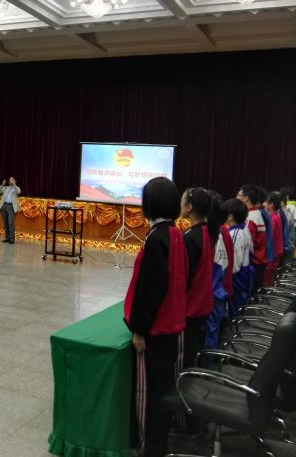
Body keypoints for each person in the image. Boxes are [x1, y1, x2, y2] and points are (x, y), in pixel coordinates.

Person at [124, 177, 187, 457]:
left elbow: (151, 288)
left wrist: (139, 329)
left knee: (149, 394)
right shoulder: (175, 232)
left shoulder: (156, 238)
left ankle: (150, 447)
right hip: (171, 326)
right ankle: (159, 443)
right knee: (162, 389)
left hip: (156, 331)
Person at [180, 187, 218, 369]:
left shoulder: (190, 237)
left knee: (186, 354)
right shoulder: (208, 231)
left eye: (182, 201)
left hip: (191, 306)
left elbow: (184, 276)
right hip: (203, 302)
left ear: (189, 207)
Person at [205, 192, 232, 350]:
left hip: (214, 294)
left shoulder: (216, 237)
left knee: (210, 332)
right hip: (219, 292)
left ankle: (207, 361)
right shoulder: (222, 233)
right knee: (213, 330)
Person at [223, 198, 254, 318]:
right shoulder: (244, 229)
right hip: (245, 274)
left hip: (237, 278)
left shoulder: (234, 234)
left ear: (230, 216)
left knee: (234, 311)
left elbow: (234, 264)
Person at [237, 185, 267, 292]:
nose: (236, 197)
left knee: (251, 294)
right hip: (259, 261)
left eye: (238, 195)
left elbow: (248, 243)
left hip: (255, 262)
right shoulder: (256, 213)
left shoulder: (250, 217)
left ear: (246, 198)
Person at [263, 191, 285, 286]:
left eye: (265, 202)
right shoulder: (276, 216)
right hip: (276, 254)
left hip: (272, 255)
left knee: (266, 282)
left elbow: (269, 239)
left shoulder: (272, 219)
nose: (263, 204)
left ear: (271, 204)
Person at [0, 177, 20, 244]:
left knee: (10, 223)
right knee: (6, 223)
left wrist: (14, 185)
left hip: (11, 207)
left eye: (12, 180)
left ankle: (12, 239)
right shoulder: (6, 188)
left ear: (15, 181)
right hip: (4, 206)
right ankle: (7, 238)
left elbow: (19, 192)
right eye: (10, 180)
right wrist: (2, 184)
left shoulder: (16, 188)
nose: (11, 181)